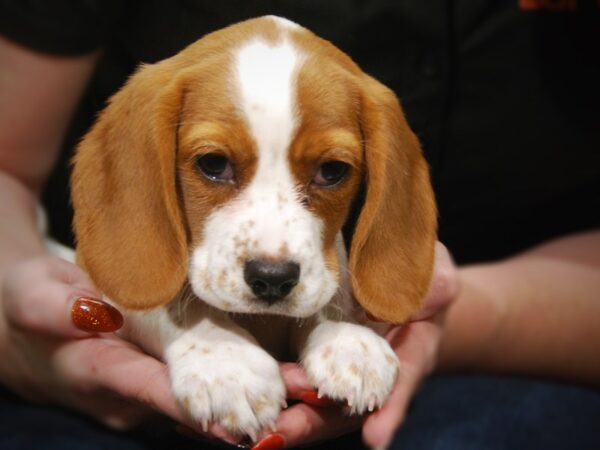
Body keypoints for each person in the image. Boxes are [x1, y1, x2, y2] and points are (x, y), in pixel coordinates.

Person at [0, 1, 598, 450]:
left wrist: (344, 327)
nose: (273, 254)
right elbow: (115, 266)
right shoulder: (154, 116)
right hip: (81, 401)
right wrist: (192, 339)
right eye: (213, 164)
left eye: (331, 171)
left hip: (500, 365)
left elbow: (375, 275)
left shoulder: (375, 123)